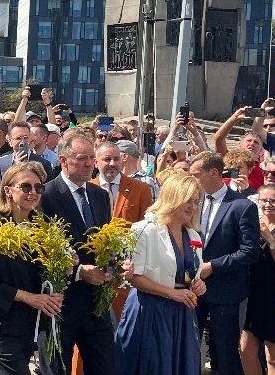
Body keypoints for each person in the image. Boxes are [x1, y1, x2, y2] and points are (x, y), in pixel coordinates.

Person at [115, 172, 207, 375]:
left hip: (183, 313)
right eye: (187, 201)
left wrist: (199, 284)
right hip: (150, 310)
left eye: (196, 201)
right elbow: (135, 277)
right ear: (173, 198)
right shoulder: (145, 229)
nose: (192, 207)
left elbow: (192, 273)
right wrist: (172, 293)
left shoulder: (193, 235)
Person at [37, 133, 115, 375]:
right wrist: (80, 272)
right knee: (57, 369)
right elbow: (41, 252)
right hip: (61, 304)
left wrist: (115, 262)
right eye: (82, 158)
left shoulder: (100, 195)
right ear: (63, 160)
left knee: (106, 367)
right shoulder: (45, 196)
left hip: (96, 304)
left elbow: (106, 240)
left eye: (92, 158)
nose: (89, 163)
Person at [0, 162, 63, 375]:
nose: (33, 193)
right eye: (26, 187)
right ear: (8, 190)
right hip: (1, 324)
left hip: (32, 323)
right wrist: (28, 297)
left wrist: (57, 286)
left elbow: (46, 274)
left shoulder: (42, 226)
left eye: (38, 188)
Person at [189, 151, 261, 375]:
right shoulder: (192, 203)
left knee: (225, 352)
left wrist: (213, 266)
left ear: (214, 173)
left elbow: (249, 252)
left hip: (226, 293)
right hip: (192, 289)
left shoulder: (241, 206)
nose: (192, 180)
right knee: (190, 346)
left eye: (196, 174)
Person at [240, 184, 275, 375]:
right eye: (264, 200)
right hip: (251, 293)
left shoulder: (268, 231)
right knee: (245, 349)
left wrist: (270, 239)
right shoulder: (253, 222)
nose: (268, 204)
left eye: (273, 201)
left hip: (272, 294)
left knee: (272, 356)